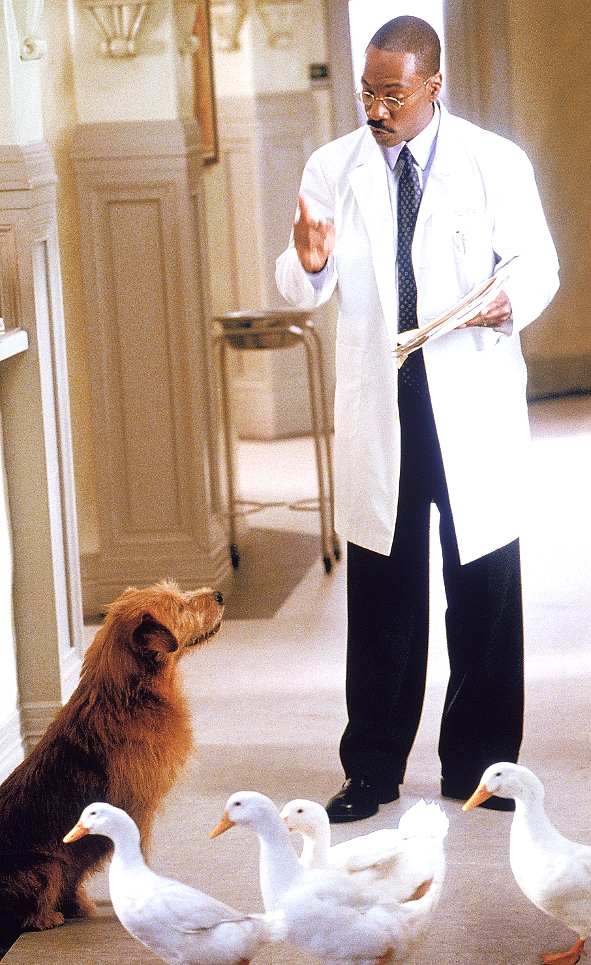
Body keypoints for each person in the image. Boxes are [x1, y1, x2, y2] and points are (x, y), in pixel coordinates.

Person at [275, 15, 559, 822]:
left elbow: (536, 264)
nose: (375, 107)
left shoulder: (493, 161)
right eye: (366, 90)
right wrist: (309, 260)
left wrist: (509, 300)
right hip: (384, 399)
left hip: (467, 396)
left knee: (484, 588)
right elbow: (299, 279)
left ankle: (478, 765)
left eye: (391, 94)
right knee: (382, 594)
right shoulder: (333, 166)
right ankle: (370, 770)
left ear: (433, 86)